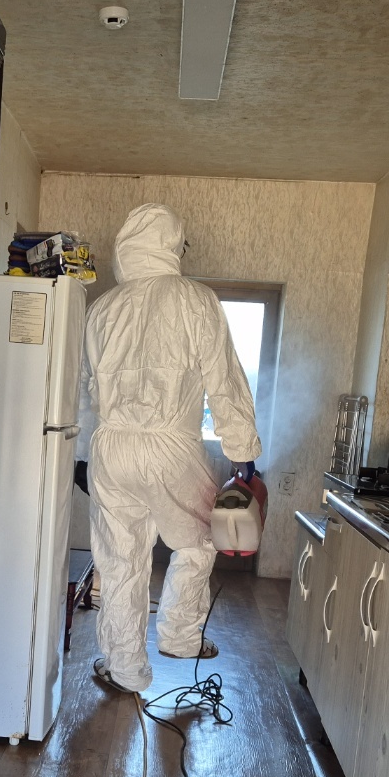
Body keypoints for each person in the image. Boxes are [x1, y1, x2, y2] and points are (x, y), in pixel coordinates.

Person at [76, 203, 261, 693]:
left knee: (119, 560)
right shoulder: (196, 299)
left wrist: (80, 455)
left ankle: (125, 670)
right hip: (171, 445)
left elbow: (83, 387)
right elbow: (224, 380)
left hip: (110, 447)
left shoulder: (101, 308)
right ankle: (180, 636)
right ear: (173, 245)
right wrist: (242, 450)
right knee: (201, 538)